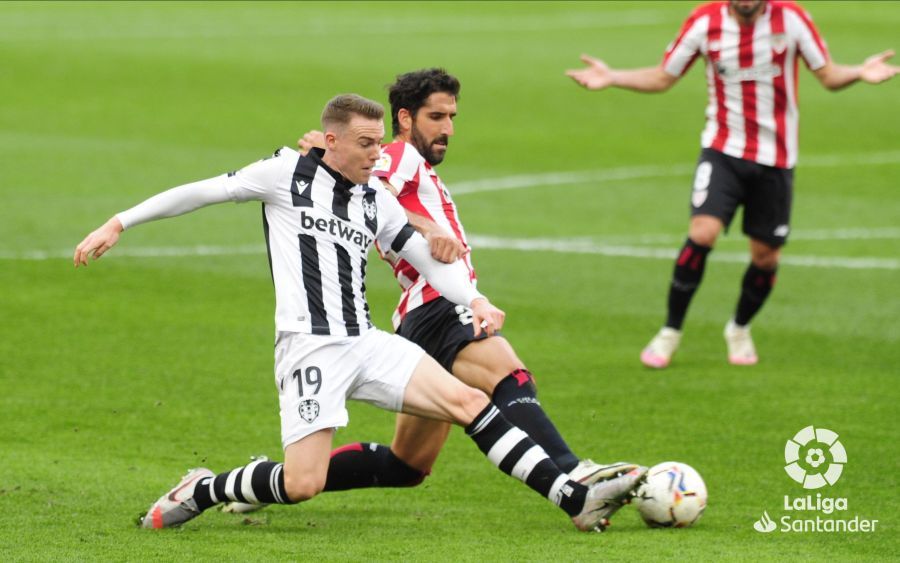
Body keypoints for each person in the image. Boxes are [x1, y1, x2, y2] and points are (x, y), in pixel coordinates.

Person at [73, 94, 646, 532]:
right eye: (368, 144)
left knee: (469, 402)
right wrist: (119, 221)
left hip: (366, 340)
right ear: (331, 141)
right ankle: (205, 489)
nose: (379, 154)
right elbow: (201, 192)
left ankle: (574, 499)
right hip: (309, 347)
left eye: (379, 143)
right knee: (301, 484)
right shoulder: (284, 174)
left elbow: (422, 256)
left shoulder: (376, 197)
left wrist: (472, 298)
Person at [275, 69, 635, 501]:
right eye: (436, 116)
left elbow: (368, 196)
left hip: (418, 317)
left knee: (405, 465)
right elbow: (370, 190)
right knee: (505, 370)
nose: (447, 128)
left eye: (452, 117)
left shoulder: (413, 165)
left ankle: (269, 481)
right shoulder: (398, 155)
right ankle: (575, 474)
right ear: (405, 118)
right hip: (436, 305)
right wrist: (422, 223)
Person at [566, 0, 898, 368]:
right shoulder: (704, 22)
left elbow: (829, 75)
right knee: (702, 233)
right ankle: (670, 331)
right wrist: (613, 77)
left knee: (766, 256)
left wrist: (860, 72)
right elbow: (663, 77)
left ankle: (739, 328)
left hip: (776, 159)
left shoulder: (791, 18)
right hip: (723, 150)